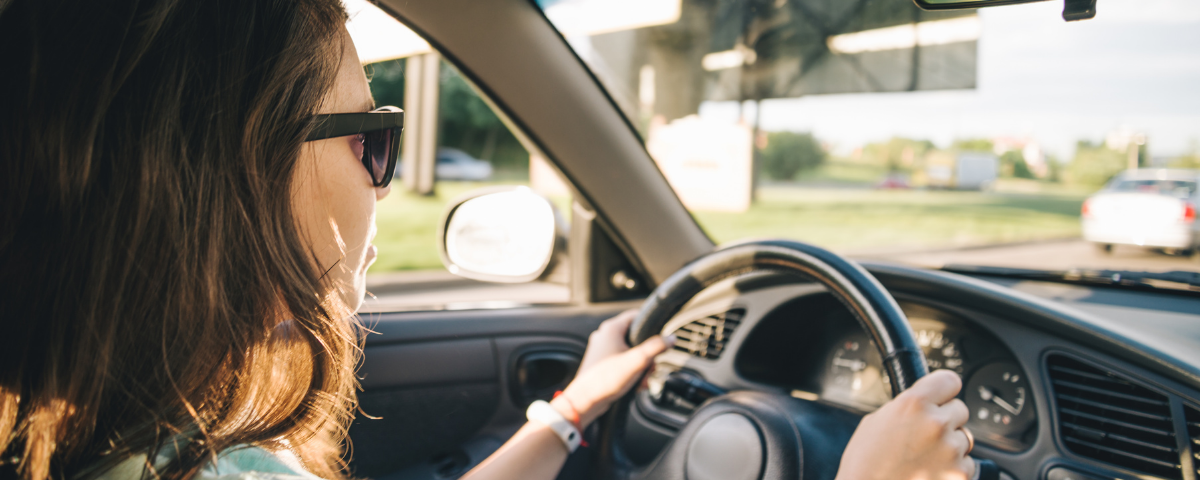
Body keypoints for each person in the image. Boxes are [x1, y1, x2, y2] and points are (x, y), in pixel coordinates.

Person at [0, 1, 975, 480]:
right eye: (372, 138)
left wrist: (571, 411)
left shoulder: (143, 435)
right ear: (230, 176)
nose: (384, 179)